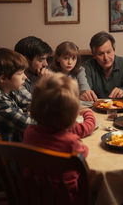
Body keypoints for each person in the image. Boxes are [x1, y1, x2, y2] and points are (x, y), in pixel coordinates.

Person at [23, 73, 96, 204]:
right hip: (67, 198)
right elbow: (84, 152)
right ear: (72, 113)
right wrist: (87, 112)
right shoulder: (71, 142)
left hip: (35, 194)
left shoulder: (29, 132)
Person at [0, 48, 34, 191]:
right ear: (3, 78)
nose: (25, 78)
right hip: (4, 166)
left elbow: (35, 103)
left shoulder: (8, 88)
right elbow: (31, 125)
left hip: (16, 154)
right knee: (55, 166)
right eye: (20, 73)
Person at [83, 31, 123, 100]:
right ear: (94, 55)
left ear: (114, 50)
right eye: (101, 54)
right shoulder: (87, 66)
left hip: (119, 107)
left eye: (109, 52)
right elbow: (86, 88)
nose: (106, 58)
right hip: (95, 107)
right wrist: (84, 92)